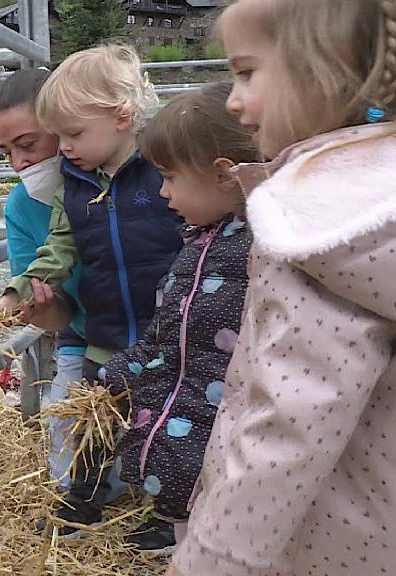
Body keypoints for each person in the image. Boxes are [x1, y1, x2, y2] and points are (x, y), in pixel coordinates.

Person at [168, 1, 396, 574]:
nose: (232, 99)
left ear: (327, 67)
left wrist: (209, 558)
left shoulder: (309, 223)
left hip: (321, 542)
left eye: (247, 72)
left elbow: (288, 421)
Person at [0, 44, 184, 537]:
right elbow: (54, 250)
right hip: (99, 330)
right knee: (91, 422)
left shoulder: (164, 170)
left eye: (36, 141)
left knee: (173, 421)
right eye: (6, 151)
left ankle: (168, 513)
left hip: (166, 329)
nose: (18, 162)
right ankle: (83, 499)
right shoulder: (73, 188)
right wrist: (21, 296)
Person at [98, 82, 257, 554]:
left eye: (169, 177)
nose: (162, 192)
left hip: (230, 460)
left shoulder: (265, 252)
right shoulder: (196, 247)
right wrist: (113, 374)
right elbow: (166, 340)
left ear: (224, 176)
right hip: (185, 454)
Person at [0, 67, 90, 491]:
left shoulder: (117, 182)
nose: (19, 163)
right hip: (84, 337)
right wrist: (36, 308)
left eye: (27, 144)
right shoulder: (20, 206)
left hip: (151, 331)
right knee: (64, 420)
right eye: (6, 152)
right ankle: (70, 500)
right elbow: (55, 318)